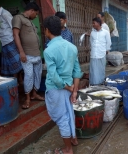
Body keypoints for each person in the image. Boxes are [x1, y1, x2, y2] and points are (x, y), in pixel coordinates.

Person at [43, 16, 83, 154]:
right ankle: (73, 139)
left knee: (61, 118)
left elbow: (54, 76)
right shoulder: (72, 47)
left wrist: (68, 87)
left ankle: (68, 149)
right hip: (70, 86)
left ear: (47, 30)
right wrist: (74, 90)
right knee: (69, 113)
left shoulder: (48, 51)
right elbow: (77, 71)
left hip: (57, 89)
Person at [12, 2, 44, 109]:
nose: (36, 16)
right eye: (36, 14)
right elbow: (15, 35)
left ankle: (34, 94)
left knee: (37, 75)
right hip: (27, 55)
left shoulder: (30, 22)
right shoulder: (18, 18)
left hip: (37, 54)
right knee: (29, 76)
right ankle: (27, 99)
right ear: (32, 11)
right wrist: (21, 52)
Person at [0, 0, 22, 78]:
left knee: (15, 62)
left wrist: (17, 41)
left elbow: (14, 27)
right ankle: (14, 81)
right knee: (9, 63)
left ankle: (18, 80)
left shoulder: (5, 14)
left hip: (10, 41)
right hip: (4, 42)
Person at [89, 17, 111, 85]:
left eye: (94, 23)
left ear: (98, 23)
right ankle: (93, 84)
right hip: (93, 54)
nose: (93, 24)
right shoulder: (92, 33)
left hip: (101, 54)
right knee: (93, 71)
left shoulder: (105, 32)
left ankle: (101, 82)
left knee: (101, 70)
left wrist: (106, 50)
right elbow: (91, 42)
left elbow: (108, 42)